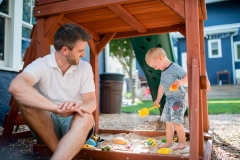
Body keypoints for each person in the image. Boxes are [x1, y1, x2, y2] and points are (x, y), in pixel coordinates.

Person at [9, 23, 96, 160]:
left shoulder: (85, 67)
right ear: (65, 50)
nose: (84, 54)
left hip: (75, 124)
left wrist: (75, 107)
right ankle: (63, 153)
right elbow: (16, 86)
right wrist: (56, 108)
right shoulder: (42, 64)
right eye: (80, 50)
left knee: (87, 116)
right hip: (47, 127)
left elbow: (91, 101)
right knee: (25, 102)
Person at [145, 47, 188, 151]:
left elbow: (187, 75)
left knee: (176, 121)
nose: (155, 68)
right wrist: (158, 99)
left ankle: (182, 143)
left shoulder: (175, 68)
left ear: (160, 58)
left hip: (178, 98)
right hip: (169, 99)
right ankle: (169, 142)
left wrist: (181, 82)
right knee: (168, 122)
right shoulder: (163, 72)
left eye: (154, 66)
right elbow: (162, 86)